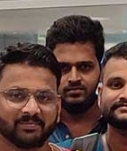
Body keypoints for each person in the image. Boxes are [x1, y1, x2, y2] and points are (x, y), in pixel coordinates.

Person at [45, 14, 105, 144]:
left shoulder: (119, 126)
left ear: (101, 71)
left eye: (84, 67)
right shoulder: (35, 126)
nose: (74, 78)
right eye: (63, 68)